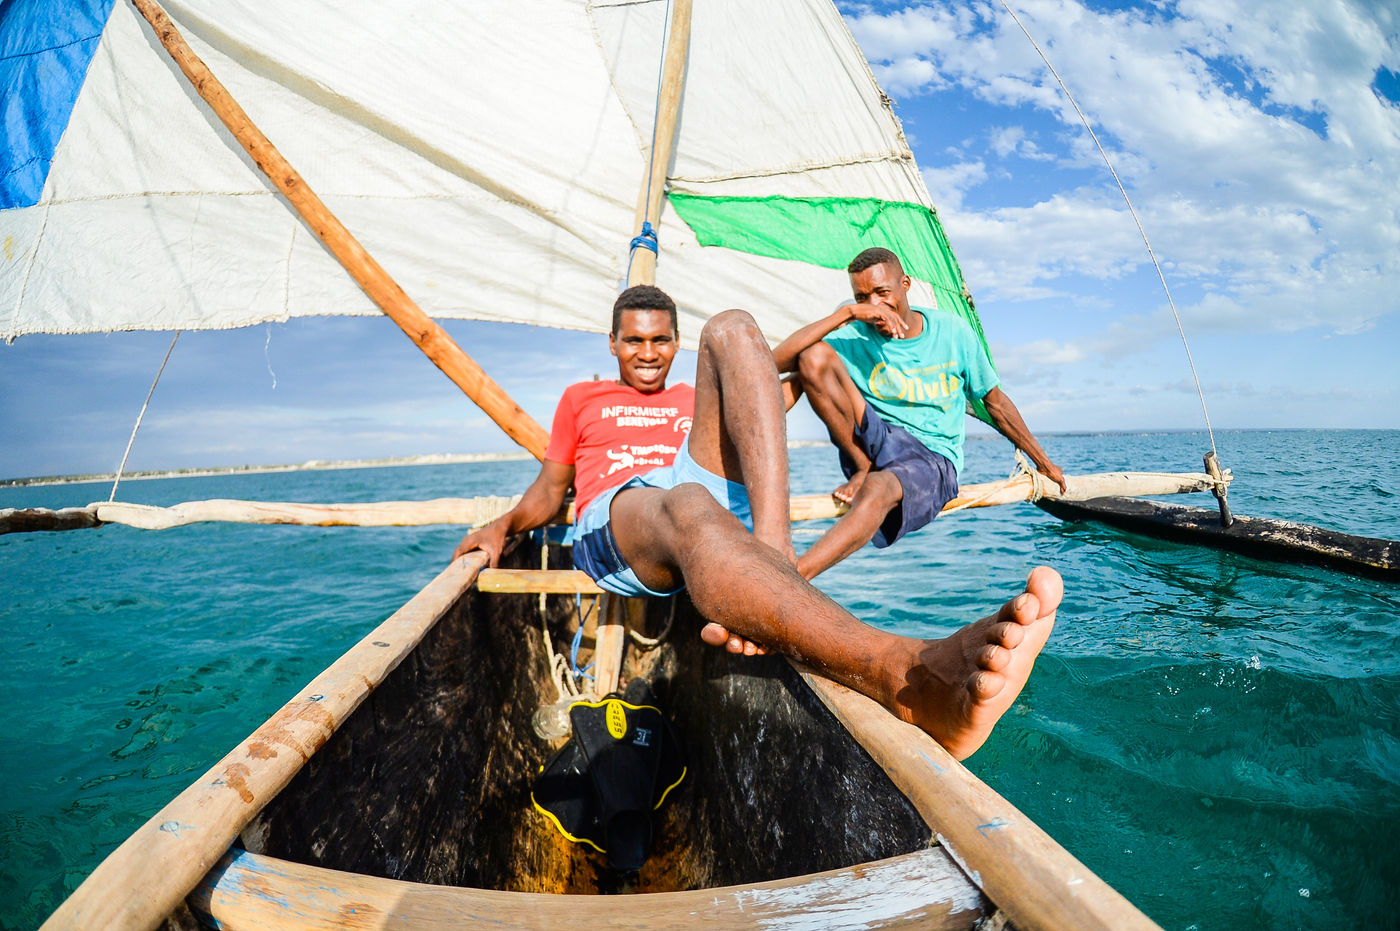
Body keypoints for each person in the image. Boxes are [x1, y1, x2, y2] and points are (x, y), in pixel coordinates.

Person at [453, 284, 1063, 761]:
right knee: (687, 504)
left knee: (734, 326)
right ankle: (901, 672)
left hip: (698, 486)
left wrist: (844, 325)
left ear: (672, 342)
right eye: (634, 341)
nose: (648, 353)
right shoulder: (581, 400)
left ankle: (770, 561)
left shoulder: (691, 397)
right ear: (612, 344)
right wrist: (504, 526)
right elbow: (548, 490)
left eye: (661, 340)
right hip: (625, 511)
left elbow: (781, 378)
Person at [773, 247, 1068, 580]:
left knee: (880, 488)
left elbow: (996, 404)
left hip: (931, 458)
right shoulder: (857, 329)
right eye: (863, 297)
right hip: (877, 438)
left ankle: (790, 580)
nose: (876, 306)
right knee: (811, 360)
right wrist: (847, 315)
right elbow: (771, 365)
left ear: (905, 284)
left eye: (883, 293)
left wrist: (1043, 462)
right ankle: (856, 468)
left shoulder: (952, 333)